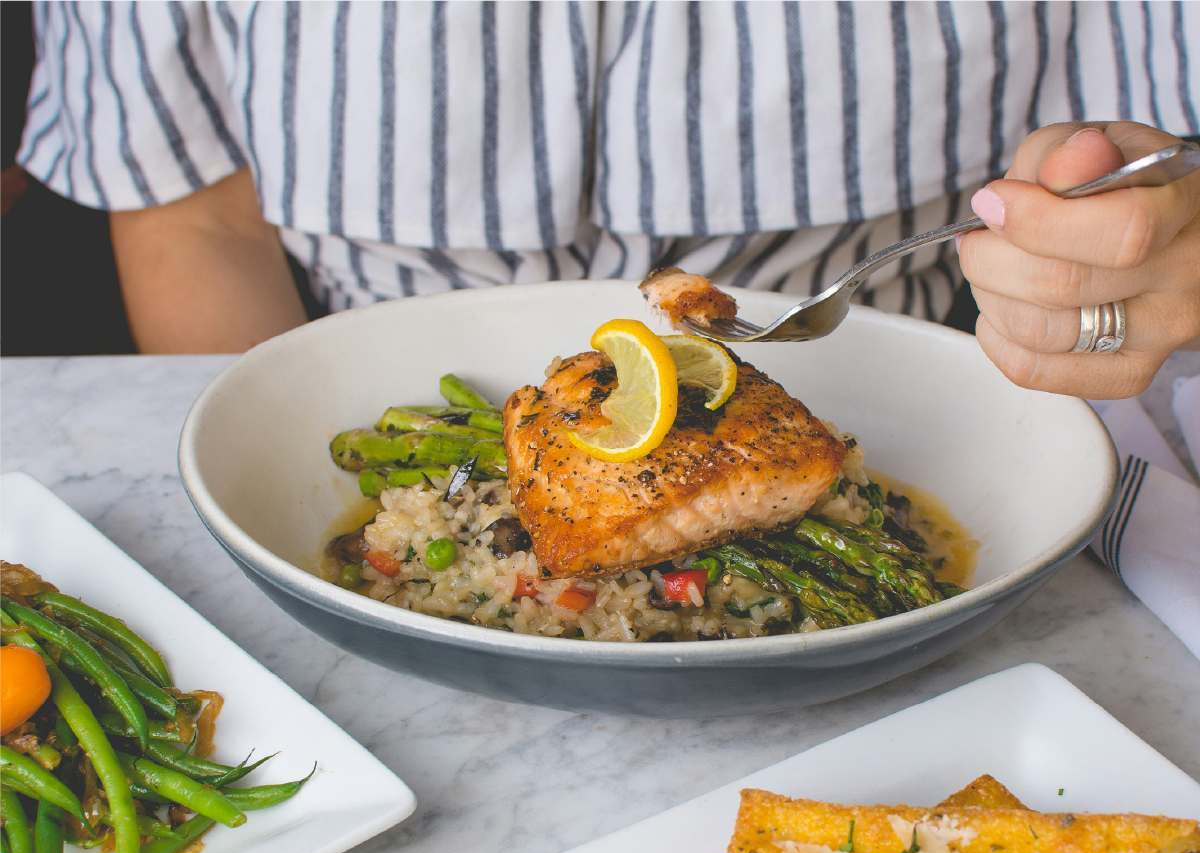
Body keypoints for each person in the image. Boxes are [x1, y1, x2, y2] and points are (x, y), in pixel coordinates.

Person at [17, 1, 1200, 399]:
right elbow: (193, 217)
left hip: (920, 407)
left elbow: (1174, 168)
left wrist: (1136, 256)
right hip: (368, 416)